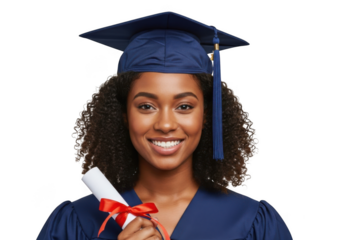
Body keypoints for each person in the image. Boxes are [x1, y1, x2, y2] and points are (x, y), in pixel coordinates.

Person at [37, 11, 293, 240]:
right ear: (123, 115)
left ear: (206, 115)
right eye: (146, 106)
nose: (166, 124)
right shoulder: (76, 222)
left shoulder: (253, 224)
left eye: (184, 106)